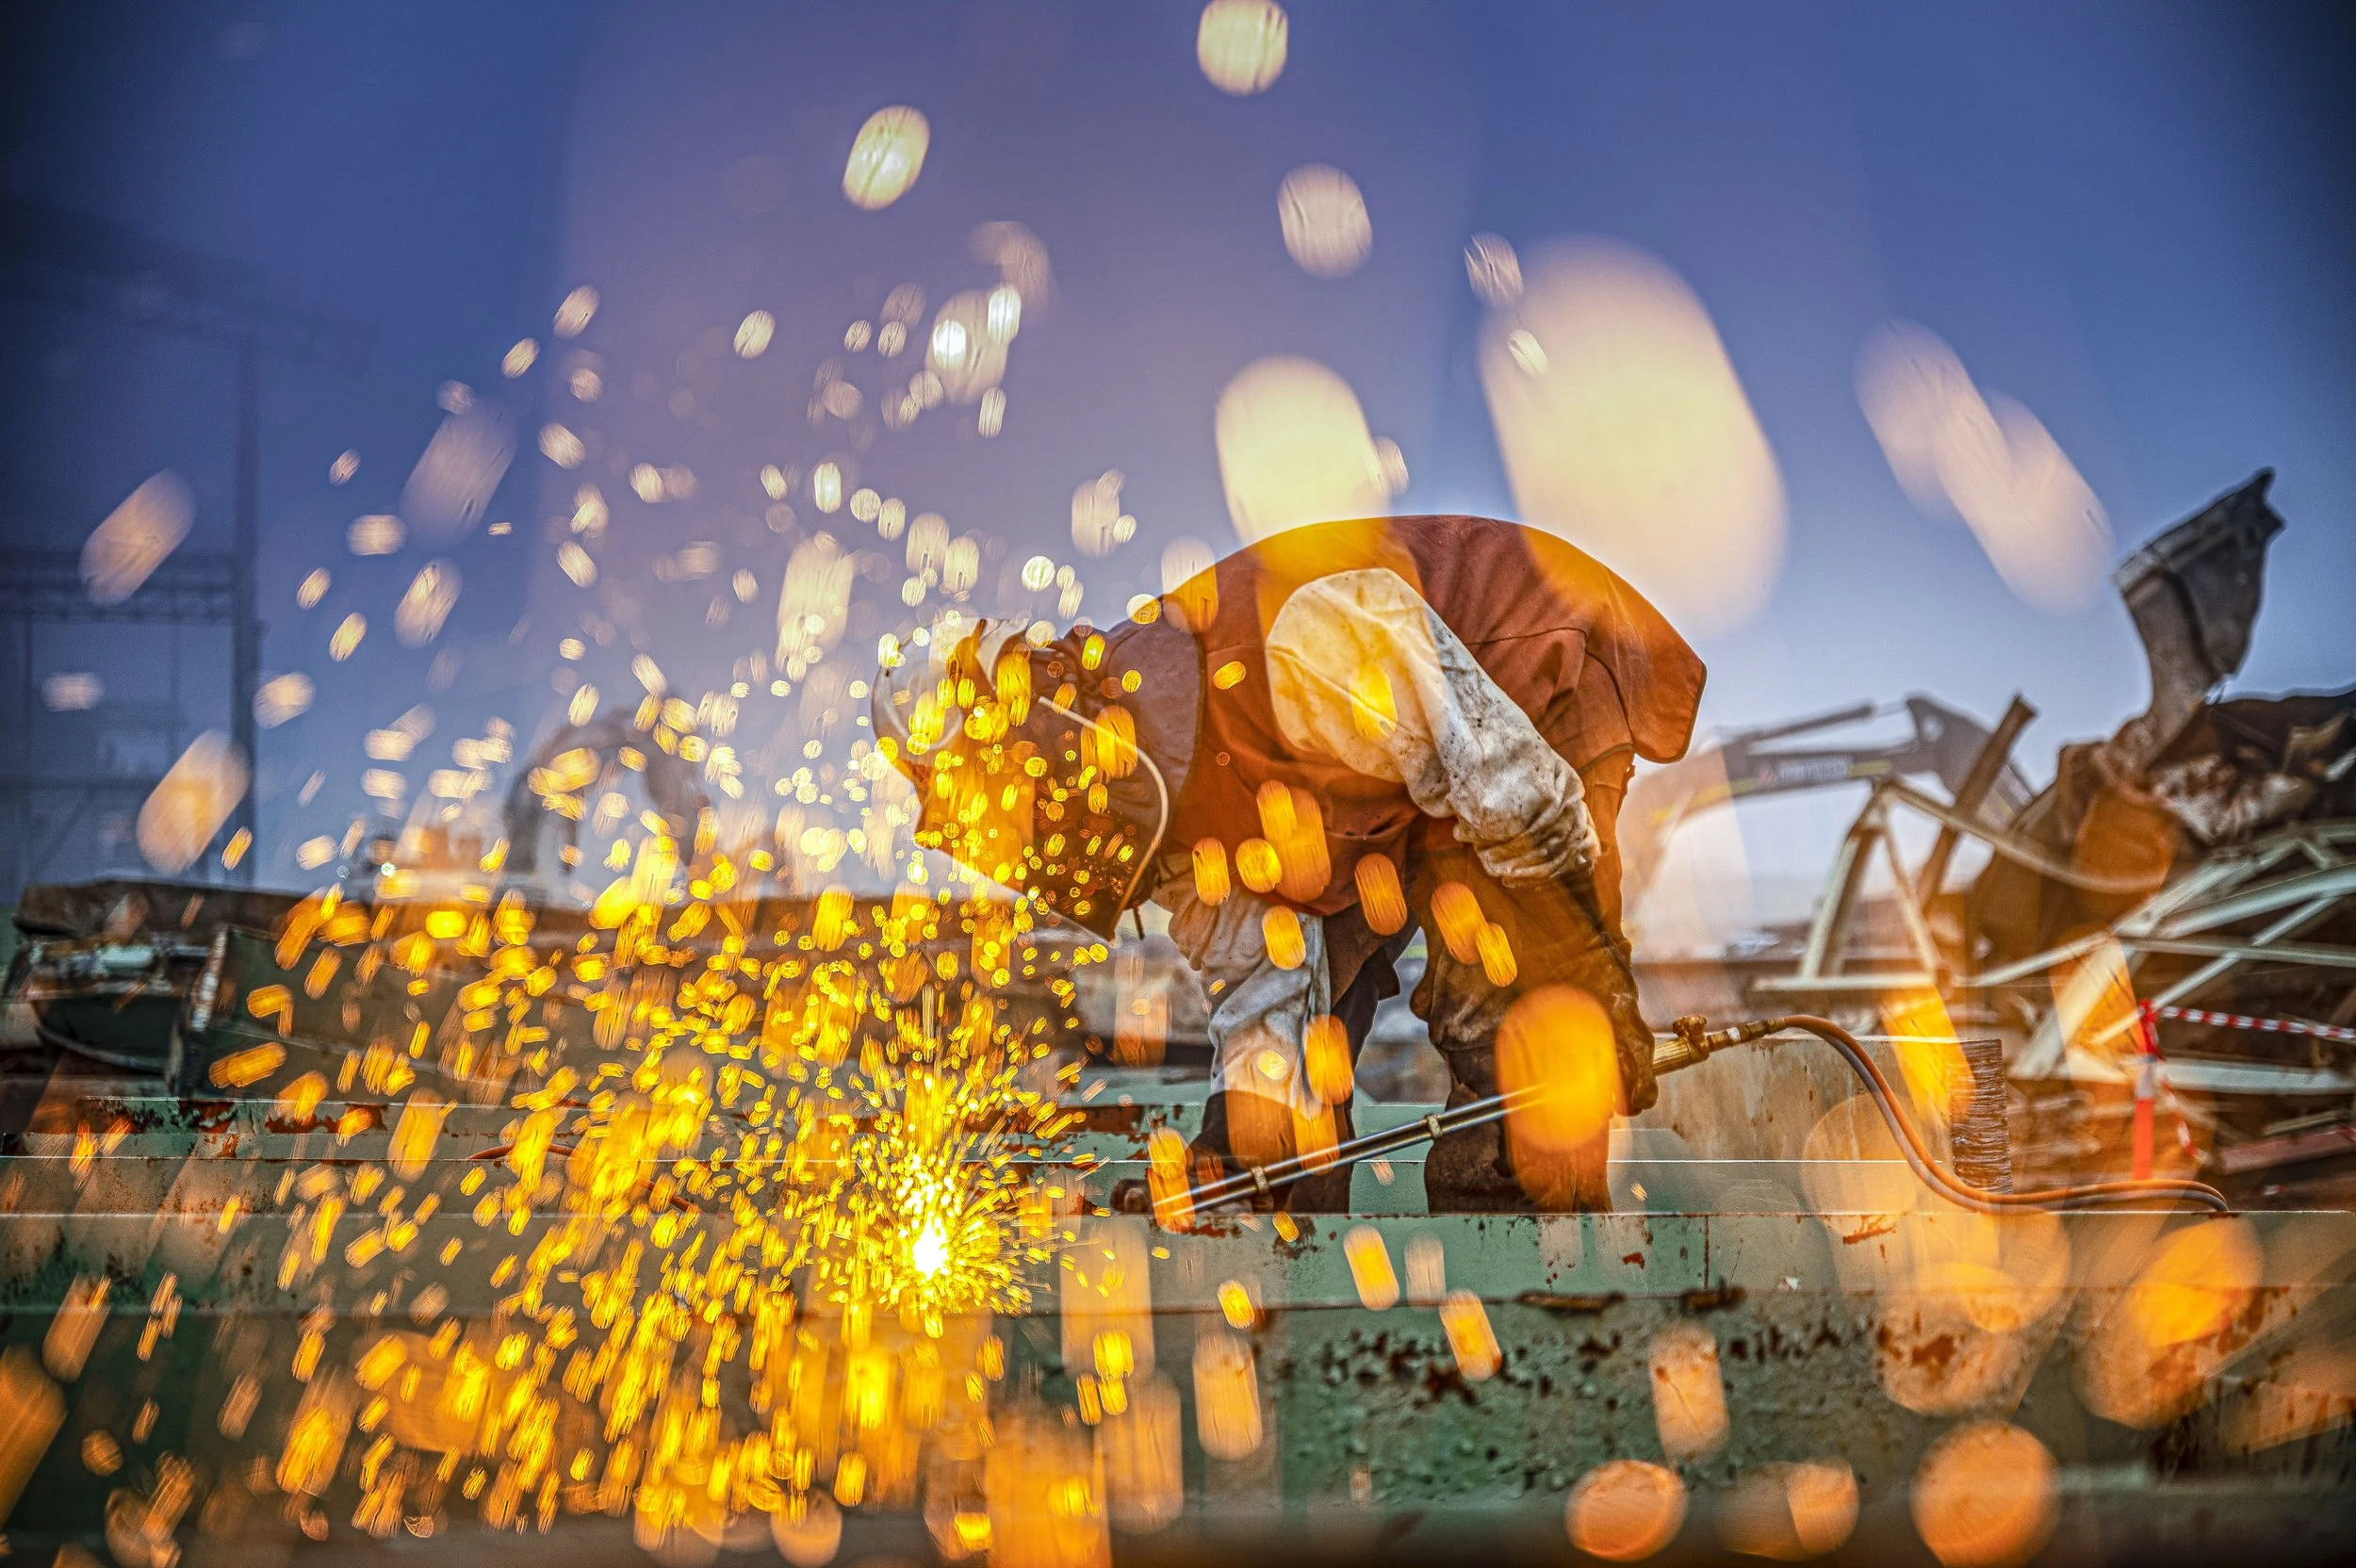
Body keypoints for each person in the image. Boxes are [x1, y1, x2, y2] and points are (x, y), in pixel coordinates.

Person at [873, 514, 1704, 1213]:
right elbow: (1264, 983)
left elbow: (1515, 789)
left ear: (1051, 726)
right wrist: (1240, 1165)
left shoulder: (1292, 648)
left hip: (1523, 686)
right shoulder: (1170, 822)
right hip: (1387, 781)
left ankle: (1548, 1315)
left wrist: (1586, 973)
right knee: (1296, 1109)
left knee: (1513, 1062)